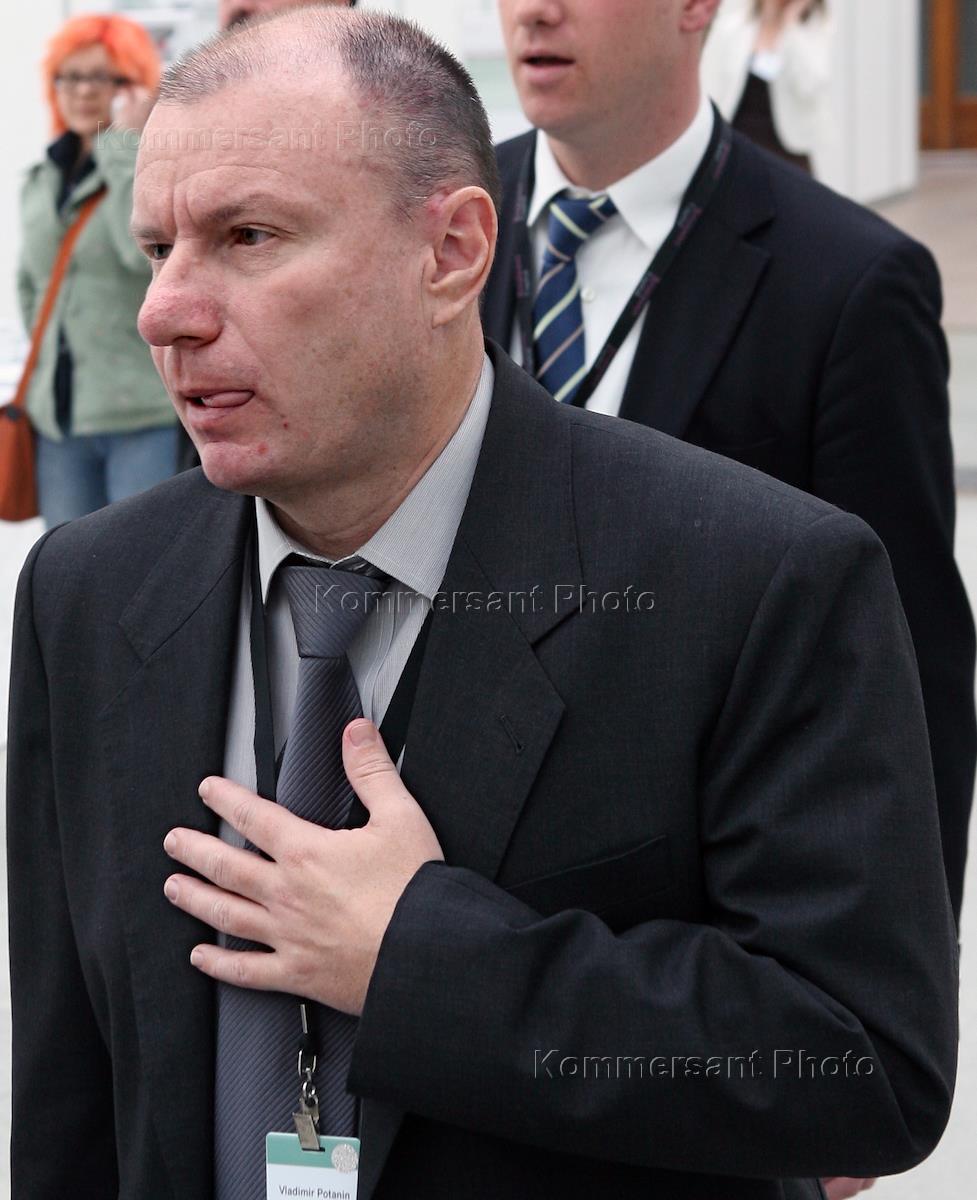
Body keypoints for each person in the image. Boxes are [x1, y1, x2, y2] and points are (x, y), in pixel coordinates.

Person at [7, 8, 958, 1200]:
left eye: (248, 236)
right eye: (158, 249)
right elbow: (69, 1098)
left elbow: (861, 1063)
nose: (166, 310)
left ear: (452, 252)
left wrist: (424, 960)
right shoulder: (87, 592)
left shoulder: (756, 580)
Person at [483, 0, 976, 937]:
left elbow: (908, 660)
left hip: (688, 922)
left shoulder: (847, 283)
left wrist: (908, 957)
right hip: (432, 895)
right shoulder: (436, 217)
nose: (534, 11)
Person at [16, 13, 178, 527]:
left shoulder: (150, 171)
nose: (84, 91)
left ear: (134, 88)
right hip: (59, 420)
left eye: (102, 77)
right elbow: (31, 285)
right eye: (71, 76)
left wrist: (123, 146)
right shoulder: (42, 178)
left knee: (143, 561)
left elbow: (142, 255)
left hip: (141, 413)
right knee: (67, 564)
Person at [701, 0, 833, 175]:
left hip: (788, 151)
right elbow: (710, 89)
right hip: (738, 147)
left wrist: (790, 24)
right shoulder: (732, 28)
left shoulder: (811, 31)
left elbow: (810, 87)